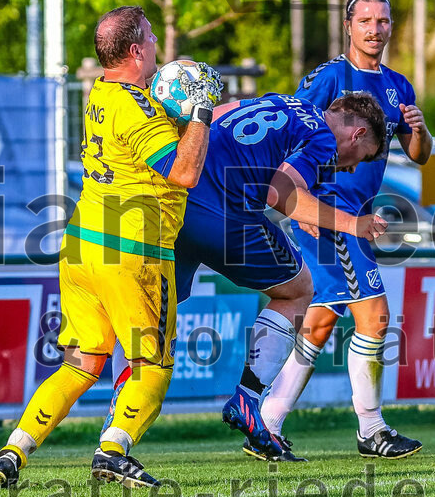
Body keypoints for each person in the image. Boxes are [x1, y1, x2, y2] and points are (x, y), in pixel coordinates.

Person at [0, 6, 220, 490]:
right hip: (134, 249)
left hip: (83, 245)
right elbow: (185, 173)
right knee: (152, 365)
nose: (157, 45)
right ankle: (112, 450)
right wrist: (202, 112)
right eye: (151, 37)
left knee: (82, 363)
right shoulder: (140, 109)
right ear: (135, 50)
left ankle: (13, 453)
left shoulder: (103, 91)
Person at [105, 91, 388, 462]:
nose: (351, 168)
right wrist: (354, 223)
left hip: (177, 201)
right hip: (227, 214)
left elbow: (215, 116)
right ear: (358, 133)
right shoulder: (322, 136)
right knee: (299, 290)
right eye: (361, 158)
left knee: (152, 309)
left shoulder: (279, 100)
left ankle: (115, 433)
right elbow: (278, 191)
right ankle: (248, 399)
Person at [270, 0, 434, 459]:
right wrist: (299, 201)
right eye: (365, 21)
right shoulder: (328, 78)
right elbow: (291, 129)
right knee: (376, 316)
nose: (374, 29)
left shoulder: (398, 85)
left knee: (319, 323)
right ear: (348, 26)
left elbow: (420, 156)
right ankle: (371, 429)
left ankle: (267, 420)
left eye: (382, 21)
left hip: (356, 218)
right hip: (327, 216)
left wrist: (420, 131)